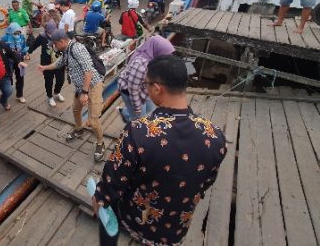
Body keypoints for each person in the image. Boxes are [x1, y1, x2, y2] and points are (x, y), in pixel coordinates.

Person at [93, 55, 227, 245]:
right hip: (177, 227)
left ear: (157, 88)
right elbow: (206, 182)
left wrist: (100, 197)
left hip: (138, 221)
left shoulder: (138, 131)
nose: (146, 89)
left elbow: (113, 179)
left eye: (146, 84)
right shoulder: (216, 136)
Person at [38, 30, 106, 161]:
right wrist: (45, 68)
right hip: (81, 87)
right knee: (76, 110)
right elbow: (59, 63)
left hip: (92, 86)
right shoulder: (66, 51)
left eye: (54, 44)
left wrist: (85, 93)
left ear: (61, 41)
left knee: (93, 120)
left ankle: (100, 143)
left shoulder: (77, 49)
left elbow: (88, 71)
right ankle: (79, 129)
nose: (54, 46)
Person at [117, 36, 175, 122]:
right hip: (129, 90)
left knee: (149, 108)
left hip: (142, 87)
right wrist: (137, 107)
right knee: (139, 119)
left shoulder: (155, 60)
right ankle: (132, 128)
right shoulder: (141, 64)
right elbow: (133, 89)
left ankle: (125, 112)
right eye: (166, 55)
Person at [28, 20, 65, 107]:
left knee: (61, 79)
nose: (52, 35)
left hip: (58, 61)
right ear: (46, 31)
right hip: (46, 62)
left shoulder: (59, 35)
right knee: (49, 81)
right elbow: (34, 45)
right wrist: (28, 53)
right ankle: (50, 96)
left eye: (54, 32)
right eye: (50, 33)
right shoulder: (42, 36)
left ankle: (57, 92)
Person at [1, 22, 30, 103]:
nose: (17, 34)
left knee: (20, 77)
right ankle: (7, 91)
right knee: (8, 77)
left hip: (19, 60)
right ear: (10, 31)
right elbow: (0, 50)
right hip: (8, 62)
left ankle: (19, 95)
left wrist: (24, 54)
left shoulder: (22, 37)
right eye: (15, 32)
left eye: (19, 32)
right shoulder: (4, 38)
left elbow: (24, 47)